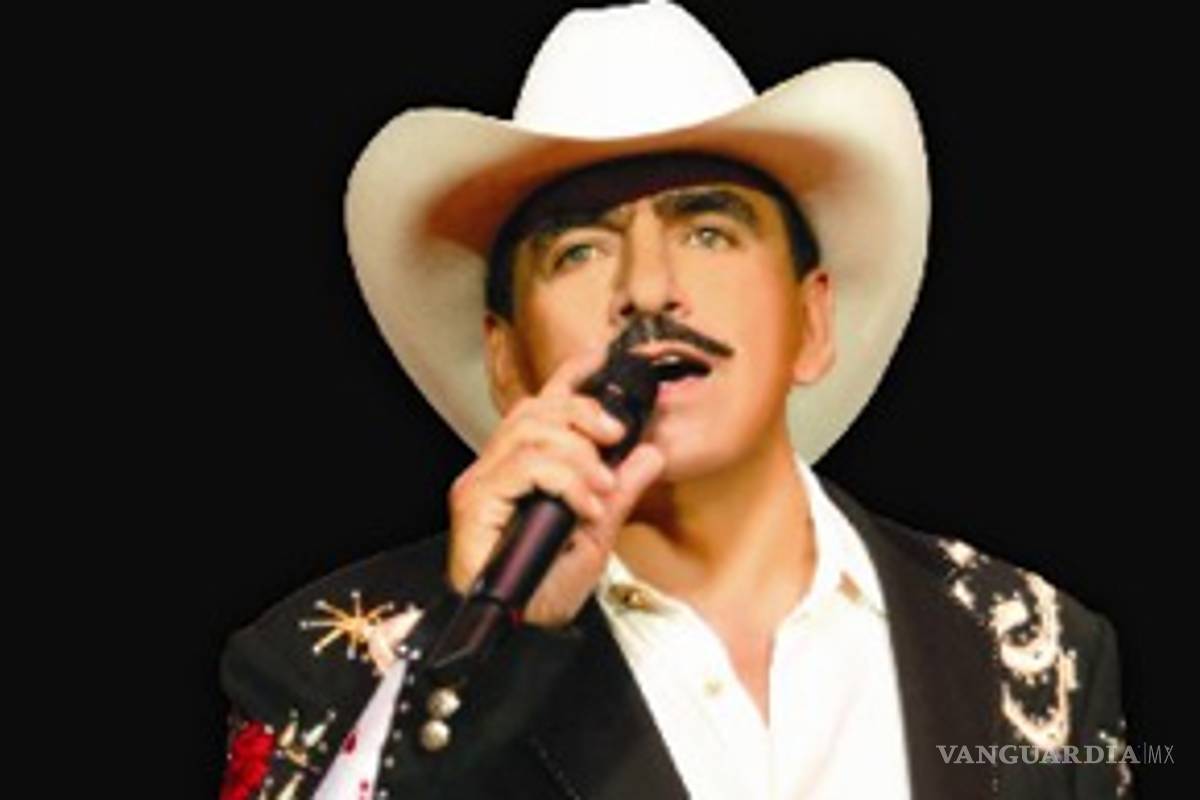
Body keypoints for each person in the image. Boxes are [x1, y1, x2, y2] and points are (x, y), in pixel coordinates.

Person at [218, 3, 1132, 798]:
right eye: (579, 251)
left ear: (812, 321)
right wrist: (489, 651)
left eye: (709, 231)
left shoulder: (1035, 648)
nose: (648, 289)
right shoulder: (333, 660)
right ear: (506, 360)